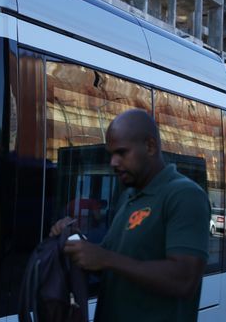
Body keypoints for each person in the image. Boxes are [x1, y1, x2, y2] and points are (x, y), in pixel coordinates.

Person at [50, 108, 210, 322]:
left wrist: (106, 259)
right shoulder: (129, 196)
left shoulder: (185, 195)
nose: (113, 163)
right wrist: (75, 241)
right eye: (111, 154)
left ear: (150, 146)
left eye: (122, 153)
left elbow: (185, 279)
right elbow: (110, 261)